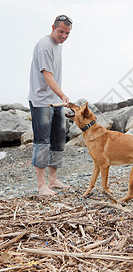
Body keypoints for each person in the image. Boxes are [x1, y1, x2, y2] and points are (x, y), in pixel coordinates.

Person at [28, 14, 73, 195]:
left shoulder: (58, 45)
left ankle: (53, 180)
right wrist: (63, 95)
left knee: (59, 140)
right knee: (42, 141)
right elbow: (48, 76)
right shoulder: (44, 46)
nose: (63, 36)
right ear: (53, 28)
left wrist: (59, 99)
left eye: (67, 33)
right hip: (41, 101)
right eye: (61, 32)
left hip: (55, 101)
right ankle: (41, 186)